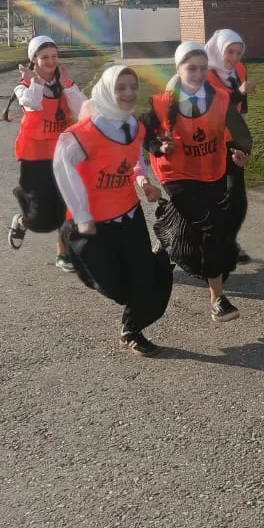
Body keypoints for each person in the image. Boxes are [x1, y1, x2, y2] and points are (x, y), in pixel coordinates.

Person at [54, 65, 173, 357]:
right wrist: (82, 215)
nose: (129, 93)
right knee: (113, 284)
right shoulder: (84, 134)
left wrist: (144, 182)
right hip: (95, 224)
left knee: (145, 278)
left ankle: (132, 330)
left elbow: (135, 161)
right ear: (108, 91)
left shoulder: (135, 127)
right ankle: (80, 261)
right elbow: (63, 168)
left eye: (133, 87)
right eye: (121, 87)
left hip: (129, 215)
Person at [141, 41, 252, 323]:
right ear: (178, 69)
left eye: (203, 68)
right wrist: (158, 147)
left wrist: (240, 154)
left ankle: (167, 235)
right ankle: (217, 299)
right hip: (175, 174)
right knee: (211, 225)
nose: (198, 74)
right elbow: (144, 134)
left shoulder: (221, 98)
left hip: (211, 171)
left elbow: (239, 133)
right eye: (191, 68)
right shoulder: (160, 103)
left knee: (203, 223)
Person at [7, 35, 86, 271]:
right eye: (44, 58)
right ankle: (23, 219)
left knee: (66, 205)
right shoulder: (24, 86)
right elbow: (33, 104)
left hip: (62, 153)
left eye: (54, 56)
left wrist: (66, 85)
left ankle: (64, 254)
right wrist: (36, 82)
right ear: (34, 60)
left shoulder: (64, 83)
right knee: (42, 220)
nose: (51, 62)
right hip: (35, 157)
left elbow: (82, 109)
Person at [205, 29, 255, 264]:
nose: (234, 58)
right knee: (213, 195)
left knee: (237, 196)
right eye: (230, 52)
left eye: (238, 52)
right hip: (210, 141)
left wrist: (243, 136)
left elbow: (241, 106)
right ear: (218, 49)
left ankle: (230, 241)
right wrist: (238, 92)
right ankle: (204, 240)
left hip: (234, 138)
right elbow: (215, 104)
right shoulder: (204, 72)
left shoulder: (240, 69)